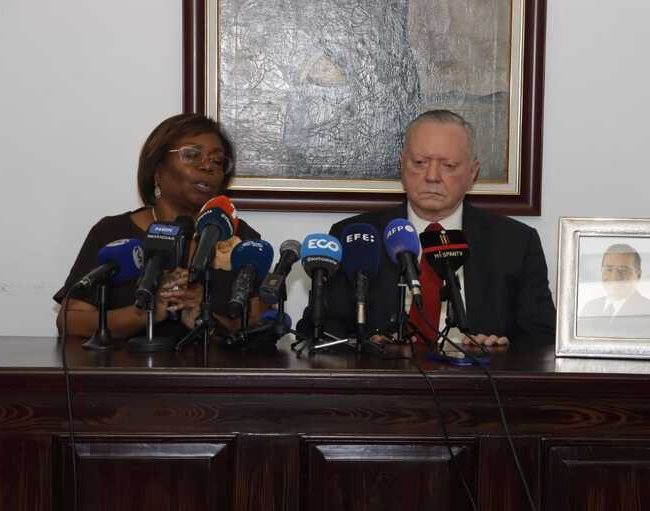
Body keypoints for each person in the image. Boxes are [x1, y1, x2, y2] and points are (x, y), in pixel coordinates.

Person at [299, 109, 556, 347]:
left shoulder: (515, 242)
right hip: (382, 387)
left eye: (449, 166)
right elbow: (316, 329)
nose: (432, 176)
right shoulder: (355, 236)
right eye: (420, 162)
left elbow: (542, 338)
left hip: (477, 388)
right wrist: (364, 345)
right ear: (402, 164)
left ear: (472, 173)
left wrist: (502, 349)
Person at [54, 113, 263, 340]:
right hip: (128, 373)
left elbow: (260, 323)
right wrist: (144, 313)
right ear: (157, 167)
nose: (207, 166)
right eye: (192, 155)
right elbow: (71, 320)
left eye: (217, 160)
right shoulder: (112, 233)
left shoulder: (239, 236)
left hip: (213, 373)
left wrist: (206, 317)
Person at [577, 243, 650, 338]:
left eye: (623, 270)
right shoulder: (590, 308)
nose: (615, 276)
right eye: (608, 269)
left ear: (638, 275)